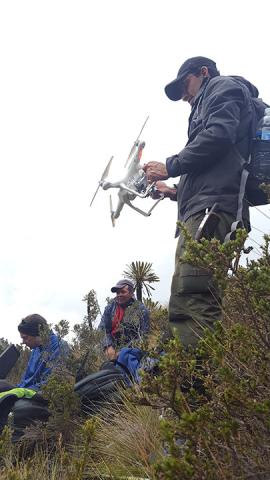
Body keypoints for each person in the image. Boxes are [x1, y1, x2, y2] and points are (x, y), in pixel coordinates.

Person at [143, 56, 267, 348]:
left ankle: (194, 384)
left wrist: (170, 165)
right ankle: (182, 379)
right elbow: (214, 163)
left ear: (203, 72)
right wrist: (174, 190)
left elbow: (219, 136)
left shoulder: (223, 88)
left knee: (194, 296)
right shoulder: (207, 99)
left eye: (184, 85)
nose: (184, 95)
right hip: (204, 208)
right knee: (184, 297)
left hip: (213, 210)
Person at [0, 314, 67, 437]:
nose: (23, 342)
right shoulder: (36, 349)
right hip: (30, 391)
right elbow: (27, 378)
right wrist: (17, 390)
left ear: (38, 334)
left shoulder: (59, 347)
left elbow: (52, 384)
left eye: (25, 338)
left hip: (42, 396)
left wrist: (21, 392)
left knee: (10, 405)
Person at [98, 279, 149, 360]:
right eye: (118, 293)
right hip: (112, 347)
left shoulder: (141, 310)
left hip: (132, 350)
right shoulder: (110, 307)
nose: (119, 295)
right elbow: (102, 329)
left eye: (123, 292)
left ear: (131, 293)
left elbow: (144, 335)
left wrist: (123, 352)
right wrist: (108, 346)